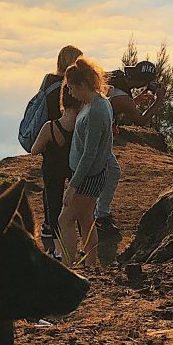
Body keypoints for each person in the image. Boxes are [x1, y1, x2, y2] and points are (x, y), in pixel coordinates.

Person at [58, 56, 114, 270]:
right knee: (86, 220)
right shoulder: (100, 102)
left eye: (72, 88)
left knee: (65, 221)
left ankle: (67, 267)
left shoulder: (95, 112)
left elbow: (90, 154)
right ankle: (91, 265)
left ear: (82, 85)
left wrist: (73, 186)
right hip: (93, 174)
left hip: (86, 177)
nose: (70, 93)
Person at [95, 59, 159, 233]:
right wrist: (159, 101)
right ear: (141, 82)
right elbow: (141, 121)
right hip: (98, 135)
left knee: (101, 171)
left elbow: (116, 103)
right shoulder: (125, 98)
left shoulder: (116, 76)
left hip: (89, 127)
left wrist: (135, 101)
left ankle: (99, 213)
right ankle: (100, 216)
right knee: (111, 171)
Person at [30, 45, 83, 249]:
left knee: (51, 191)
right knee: (74, 190)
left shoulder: (48, 82)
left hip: (52, 138)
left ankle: (50, 229)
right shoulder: (73, 85)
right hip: (71, 144)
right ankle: (71, 234)